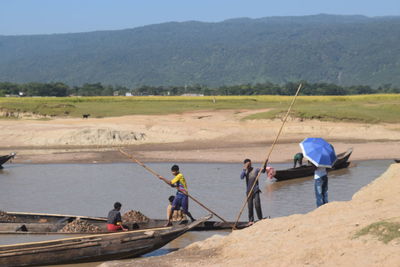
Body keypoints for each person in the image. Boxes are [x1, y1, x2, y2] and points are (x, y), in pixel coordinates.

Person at [240, 159, 267, 226]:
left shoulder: (256, 169)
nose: (248, 165)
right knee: (250, 206)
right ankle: (251, 220)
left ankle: (260, 219)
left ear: (251, 163)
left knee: (257, 205)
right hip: (249, 191)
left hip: (256, 190)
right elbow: (241, 177)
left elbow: (263, 171)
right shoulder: (245, 172)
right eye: (247, 164)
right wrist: (244, 168)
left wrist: (265, 163)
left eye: (249, 164)